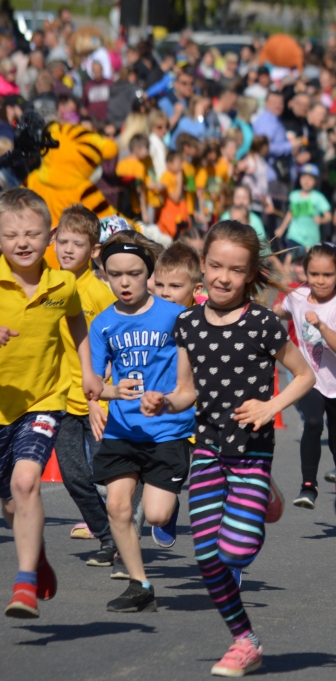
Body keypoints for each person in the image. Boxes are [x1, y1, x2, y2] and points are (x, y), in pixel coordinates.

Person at [142, 220, 315, 676]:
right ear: (202, 266)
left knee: (235, 552)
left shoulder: (262, 324)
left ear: (250, 274)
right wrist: (164, 403)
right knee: (207, 558)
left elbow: (305, 376)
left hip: (252, 452)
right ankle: (244, 640)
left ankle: (265, 499)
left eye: (235, 270)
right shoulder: (188, 324)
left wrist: (269, 406)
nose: (223, 277)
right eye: (215, 266)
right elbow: (186, 391)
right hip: (208, 452)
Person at [0, 189, 98, 619]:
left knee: (26, 484)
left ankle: (23, 586)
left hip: (43, 399)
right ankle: (35, 555)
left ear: (51, 237)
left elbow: (75, 318)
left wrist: (89, 369)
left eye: (32, 234)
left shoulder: (64, 283)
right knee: (9, 504)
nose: (22, 242)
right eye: (10, 235)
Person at [89, 232, 195, 613]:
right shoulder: (102, 324)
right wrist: (108, 394)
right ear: (105, 275)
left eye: (134, 273)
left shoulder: (176, 316)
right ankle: (140, 584)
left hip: (167, 429)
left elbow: (192, 378)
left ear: (149, 274)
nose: (124, 282)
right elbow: (96, 384)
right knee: (118, 507)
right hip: (122, 430)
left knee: (156, 514)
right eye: (115, 274)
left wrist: (167, 399)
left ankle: (170, 498)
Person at [50, 206, 118, 566]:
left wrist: (104, 389)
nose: (67, 250)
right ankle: (108, 535)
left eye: (78, 243)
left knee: (108, 475)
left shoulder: (100, 292)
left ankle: (123, 530)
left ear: (94, 250)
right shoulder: (48, 286)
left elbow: (116, 343)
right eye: (62, 241)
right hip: (58, 399)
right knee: (74, 476)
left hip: (99, 401)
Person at [275, 245, 336, 513]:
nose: (320, 281)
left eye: (327, 275)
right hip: (309, 378)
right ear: (305, 272)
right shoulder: (298, 295)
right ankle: (308, 486)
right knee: (312, 422)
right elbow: (284, 309)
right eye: (314, 274)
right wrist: (270, 311)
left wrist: (321, 325)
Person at [275, 164, 332, 258]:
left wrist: (321, 220)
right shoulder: (294, 195)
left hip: (311, 238)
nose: (306, 181)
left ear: (316, 181)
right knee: (289, 258)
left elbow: (329, 217)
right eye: (304, 177)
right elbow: (290, 213)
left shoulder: (318, 197)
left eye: (310, 178)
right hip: (294, 234)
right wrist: (282, 228)